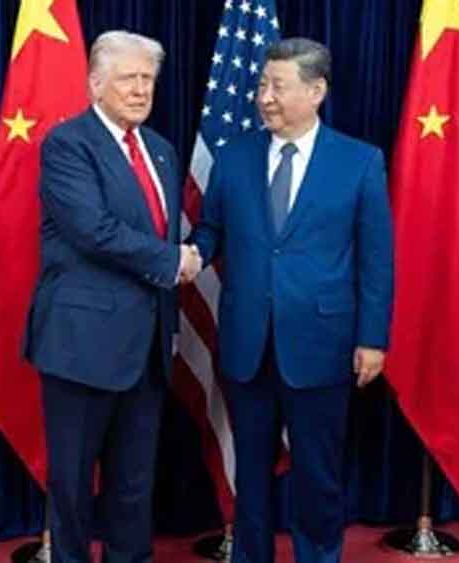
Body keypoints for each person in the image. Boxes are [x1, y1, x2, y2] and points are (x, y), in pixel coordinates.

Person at [188, 38, 394, 563]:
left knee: (318, 476)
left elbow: (375, 260)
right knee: (250, 475)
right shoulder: (233, 158)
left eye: (277, 86)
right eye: (262, 85)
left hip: (323, 343)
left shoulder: (359, 161)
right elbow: (212, 229)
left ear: (316, 91)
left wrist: (373, 339)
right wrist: (192, 254)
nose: (264, 97)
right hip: (247, 343)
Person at [22, 30, 200, 563]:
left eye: (148, 79)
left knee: (134, 483)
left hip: (147, 346)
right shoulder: (68, 144)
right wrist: (173, 261)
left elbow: (159, 229)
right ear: (96, 83)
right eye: (128, 78)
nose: (141, 90)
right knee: (73, 484)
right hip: (81, 344)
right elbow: (92, 230)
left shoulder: (162, 151)